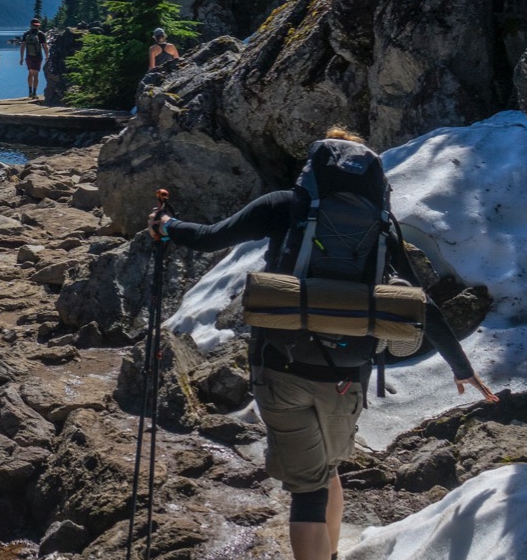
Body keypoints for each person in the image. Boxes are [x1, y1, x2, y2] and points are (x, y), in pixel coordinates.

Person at [147, 127, 497, 560]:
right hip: (349, 375)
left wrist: (166, 225)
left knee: (307, 492)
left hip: (281, 365)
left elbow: (208, 237)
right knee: (327, 471)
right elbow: (419, 302)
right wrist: (462, 368)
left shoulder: (285, 206)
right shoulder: (381, 225)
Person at [19, 18, 48, 99]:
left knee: (30, 73)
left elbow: (22, 47)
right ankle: (34, 93)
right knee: (36, 75)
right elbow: (45, 47)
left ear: (31, 25)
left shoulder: (26, 34)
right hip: (38, 57)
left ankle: (30, 92)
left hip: (28, 57)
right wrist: (47, 56)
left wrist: (21, 58)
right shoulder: (41, 34)